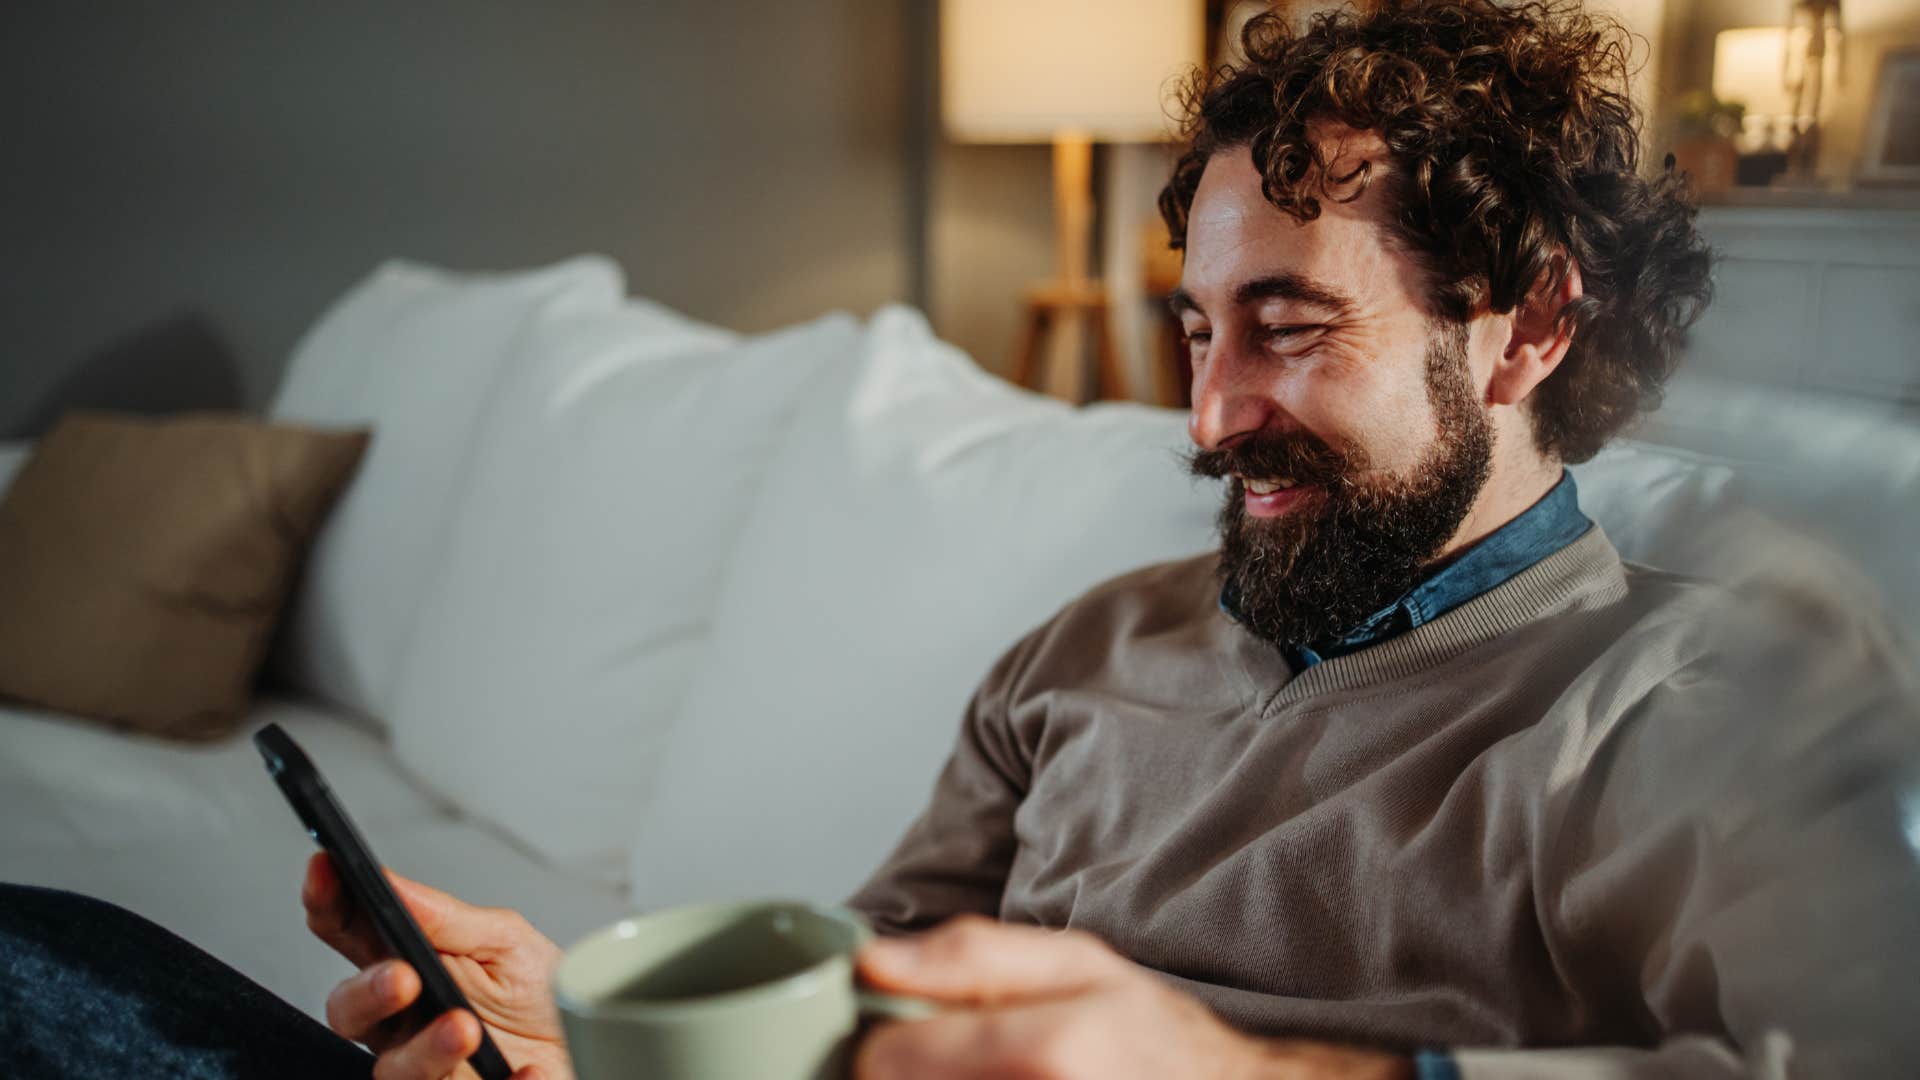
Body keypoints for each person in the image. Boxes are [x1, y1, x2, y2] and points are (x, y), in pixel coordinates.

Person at [3, 2, 1916, 1078]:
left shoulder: (1704, 687)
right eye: (1198, 329)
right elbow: (859, 1013)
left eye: (1294, 330)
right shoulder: (1086, 651)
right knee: (45, 957)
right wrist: (578, 1036)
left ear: (1533, 325)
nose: (1205, 418)